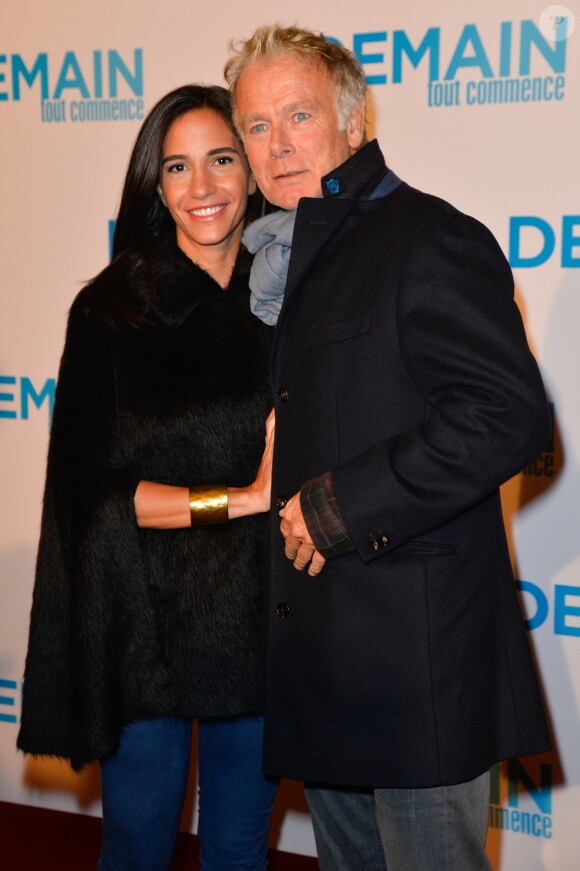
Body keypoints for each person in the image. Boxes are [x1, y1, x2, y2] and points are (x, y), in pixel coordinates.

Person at [224, 25, 552, 871]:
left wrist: (341, 503)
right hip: (327, 657)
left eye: (297, 115)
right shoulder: (288, 257)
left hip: (416, 661)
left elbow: (508, 415)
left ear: (353, 119)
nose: (276, 144)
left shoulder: (427, 236)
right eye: (256, 126)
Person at [17, 84, 279, 871]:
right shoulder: (112, 308)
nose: (202, 188)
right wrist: (241, 499)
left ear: (252, 168)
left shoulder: (292, 300)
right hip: (142, 623)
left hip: (260, 621)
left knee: (239, 848)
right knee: (136, 846)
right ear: (154, 185)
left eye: (222, 160)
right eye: (177, 167)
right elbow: (94, 495)